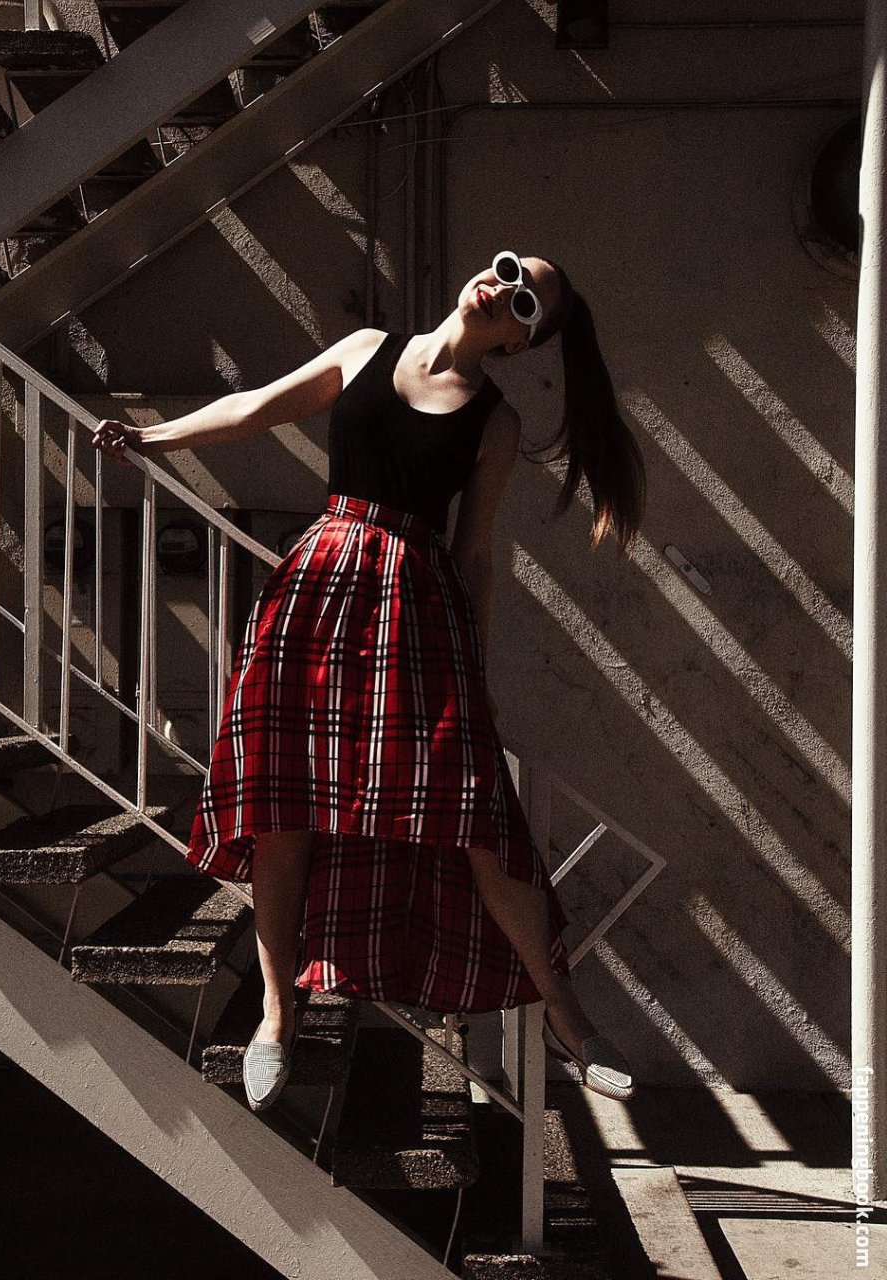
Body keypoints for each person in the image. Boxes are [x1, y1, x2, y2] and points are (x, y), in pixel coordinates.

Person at [92, 251, 646, 1113]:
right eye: (507, 269)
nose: (502, 288)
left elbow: (473, 555)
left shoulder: (494, 423)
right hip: (315, 596)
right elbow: (255, 407)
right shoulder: (365, 349)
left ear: (519, 340)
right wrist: (152, 440)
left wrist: (476, 673)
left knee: (474, 811)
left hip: (416, 617)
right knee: (283, 806)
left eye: (524, 301)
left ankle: (568, 1020)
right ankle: (278, 1015)